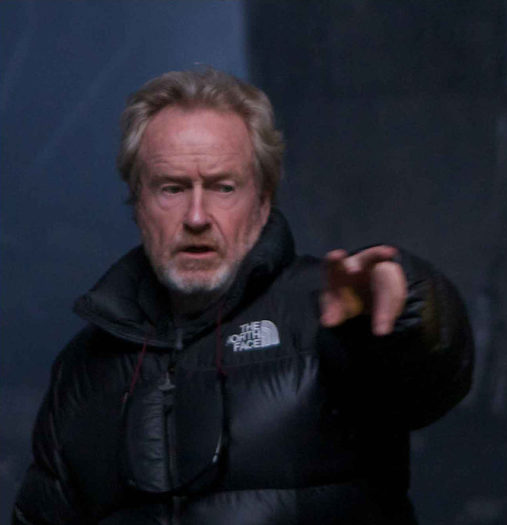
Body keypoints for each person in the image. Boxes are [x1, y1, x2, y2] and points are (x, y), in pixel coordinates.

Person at [12, 68, 474, 524]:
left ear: (263, 200)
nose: (197, 216)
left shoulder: (331, 315)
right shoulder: (82, 369)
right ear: (138, 202)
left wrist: (409, 308)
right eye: (172, 188)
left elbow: (432, 383)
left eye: (223, 187)